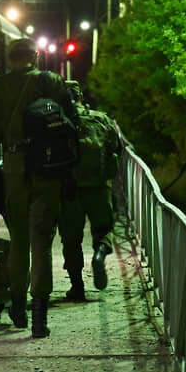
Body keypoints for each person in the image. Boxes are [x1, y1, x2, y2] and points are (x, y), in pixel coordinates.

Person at [0, 39, 79, 338]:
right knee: (42, 242)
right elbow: (72, 124)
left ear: (10, 59)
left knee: (19, 241)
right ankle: (39, 317)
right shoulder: (52, 82)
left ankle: (18, 305)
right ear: (35, 57)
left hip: (13, 167)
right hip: (48, 169)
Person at [58, 81, 124, 300]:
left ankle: (77, 287)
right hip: (98, 187)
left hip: (69, 189)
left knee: (71, 238)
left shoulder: (57, 121)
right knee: (104, 229)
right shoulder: (101, 119)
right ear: (80, 97)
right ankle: (99, 255)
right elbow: (117, 148)